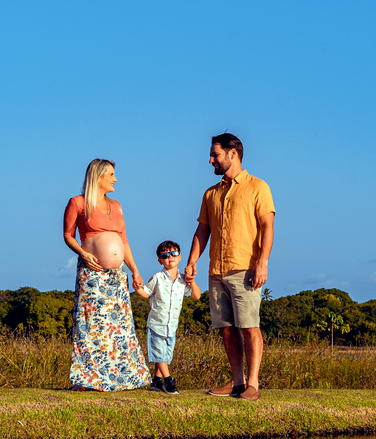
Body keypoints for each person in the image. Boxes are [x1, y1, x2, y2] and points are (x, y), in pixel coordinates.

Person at [184, 134, 276, 402]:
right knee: (226, 328)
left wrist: (263, 262)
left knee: (249, 327)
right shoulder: (210, 193)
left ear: (232, 154)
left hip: (245, 269)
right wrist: (192, 260)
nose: (211, 160)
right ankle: (237, 382)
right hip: (217, 271)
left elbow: (267, 226)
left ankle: (253, 384)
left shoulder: (258, 187)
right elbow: (203, 229)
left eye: (215, 155)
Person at [62, 159, 151, 391]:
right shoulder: (78, 203)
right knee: (91, 324)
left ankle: (124, 378)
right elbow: (68, 235)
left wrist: (134, 269)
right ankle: (87, 380)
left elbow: (124, 241)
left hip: (117, 274)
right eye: (111, 174)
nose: (115, 179)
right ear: (98, 176)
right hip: (93, 272)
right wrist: (82, 253)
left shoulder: (117, 205)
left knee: (119, 326)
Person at [135, 240, 201, 394]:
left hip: (172, 325)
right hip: (157, 323)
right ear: (160, 261)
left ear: (180, 257)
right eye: (165, 255)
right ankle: (168, 382)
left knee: (166, 355)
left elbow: (197, 296)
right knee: (160, 354)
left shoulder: (183, 280)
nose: (170, 257)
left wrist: (192, 282)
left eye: (174, 253)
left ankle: (156, 382)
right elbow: (146, 293)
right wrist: (137, 287)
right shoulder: (158, 277)